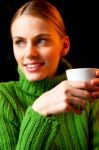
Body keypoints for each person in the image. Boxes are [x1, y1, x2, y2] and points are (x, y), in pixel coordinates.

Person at [0, 0, 99, 149]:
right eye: (19, 42)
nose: (29, 54)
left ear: (64, 46)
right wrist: (39, 111)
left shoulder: (90, 97)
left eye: (41, 41)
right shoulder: (4, 98)